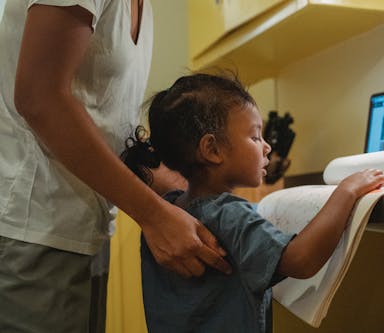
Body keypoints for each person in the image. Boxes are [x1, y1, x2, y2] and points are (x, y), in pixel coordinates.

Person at [0, 1, 230, 332]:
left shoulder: (144, 9)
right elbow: (40, 98)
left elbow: (106, 127)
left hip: (85, 232)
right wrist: (153, 215)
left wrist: (189, 189)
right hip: (32, 227)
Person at [122, 73, 384, 333]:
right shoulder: (228, 214)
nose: (267, 147)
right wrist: (346, 192)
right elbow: (300, 260)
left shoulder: (169, 211)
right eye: (255, 136)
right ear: (212, 150)